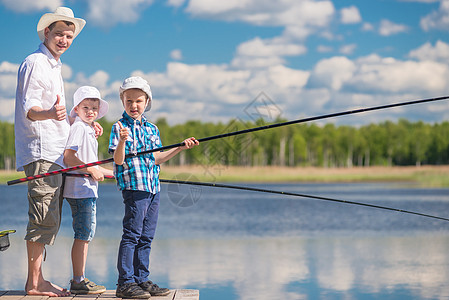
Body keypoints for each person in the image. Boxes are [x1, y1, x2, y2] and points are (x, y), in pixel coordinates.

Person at [14, 7, 100, 297]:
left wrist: (81, 121)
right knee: (42, 218)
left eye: (69, 35)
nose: (64, 39)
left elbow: (60, 116)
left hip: (54, 154)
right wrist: (50, 112)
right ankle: (34, 285)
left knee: (49, 218)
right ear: (46, 32)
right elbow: (31, 109)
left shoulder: (52, 65)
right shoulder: (36, 62)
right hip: (42, 154)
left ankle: (39, 281)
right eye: (59, 33)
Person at [109, 76, 199, 299]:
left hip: (153, 187)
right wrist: (122, 141)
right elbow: (118, 161)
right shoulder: (118, 127)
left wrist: (180, 147)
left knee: (147, 235)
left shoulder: (152, 128)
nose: (133, 105)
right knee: (132, 234)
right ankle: (125, 282)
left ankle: (141, 279)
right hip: (134, 188)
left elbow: (157, 158)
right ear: (123, 101)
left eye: (138, 101)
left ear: (147, 101)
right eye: (129, 101)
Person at [62, 86, 113, 294]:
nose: (91, 111)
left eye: (94, 107)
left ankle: (79, 278)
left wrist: (116, 174)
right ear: (76, 108)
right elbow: (69, 157)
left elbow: (93, 165)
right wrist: (90, 169)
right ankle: (78, 280)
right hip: (80, 191)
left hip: (87, 190)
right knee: (83, 234)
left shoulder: (88, 129)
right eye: (86, 107)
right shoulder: (80, 128)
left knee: (85, 234)